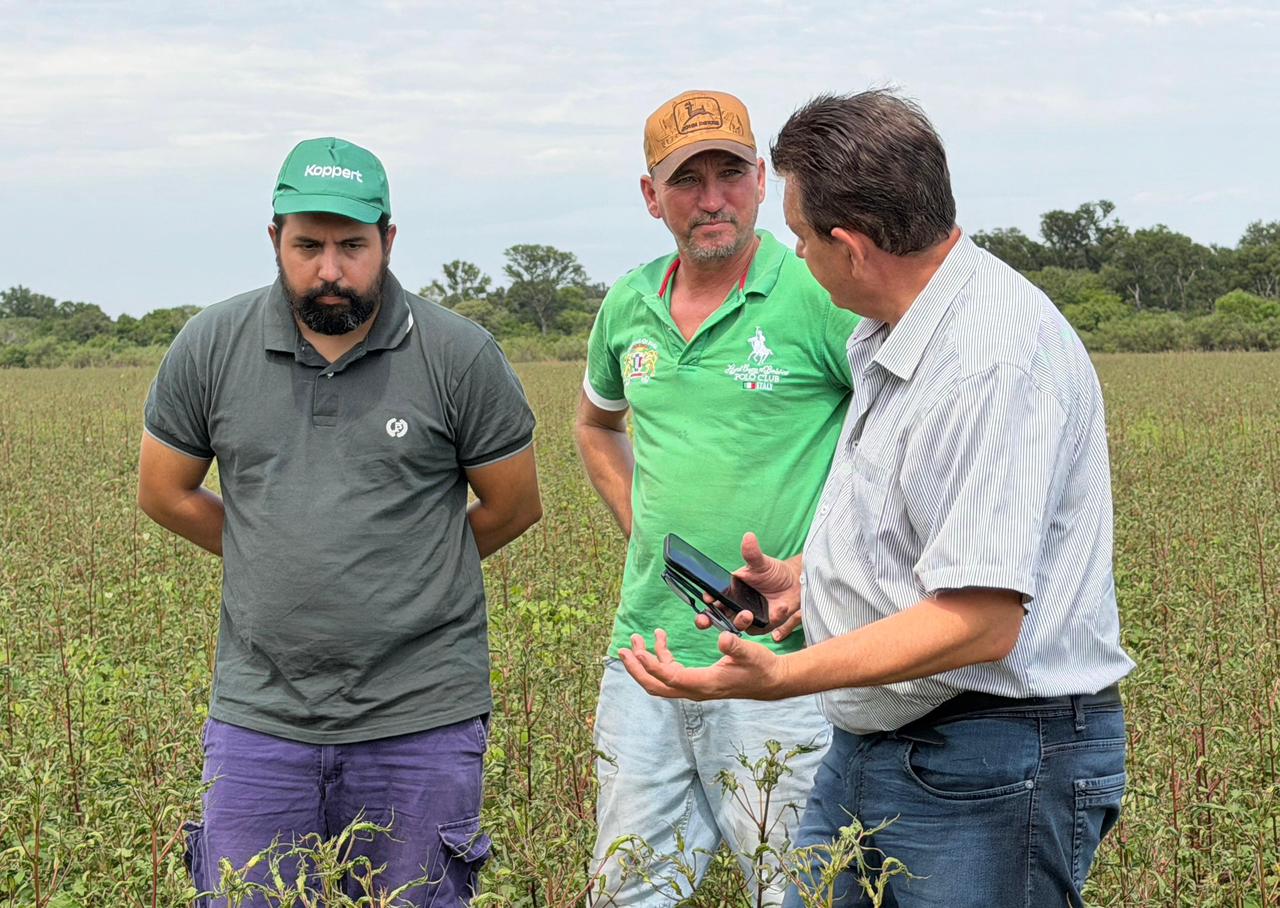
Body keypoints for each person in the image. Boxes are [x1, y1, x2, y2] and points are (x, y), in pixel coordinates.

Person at [619, 90, 1136, 908]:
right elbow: (914, 534)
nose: (795, 253)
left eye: (798, 236)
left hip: (991, 760)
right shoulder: (891, 327)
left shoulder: (988, 362)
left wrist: (781, 680)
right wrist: (809, 581)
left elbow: (980, 617)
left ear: (850, 248)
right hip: (879, 743)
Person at [137, 137, 542, 906]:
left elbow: (513, 505)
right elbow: (164, 491)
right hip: (262, 716)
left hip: (420, 716)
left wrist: (412, 562)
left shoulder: (458, 355)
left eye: (352, 245)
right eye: (308, 245)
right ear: (274, 241)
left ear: (388, 240)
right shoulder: (211, 345)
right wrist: (270, 548)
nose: (330, 268)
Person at [576, 90, 860, 905]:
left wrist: (824, 563)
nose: (710, 198)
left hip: (786, 659)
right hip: (648, 656)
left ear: (762, 181)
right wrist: (645, 536)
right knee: (629, 888)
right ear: (650, 196)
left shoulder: (816, 292)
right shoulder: (628, 306)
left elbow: (894, 435)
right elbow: (597, 426)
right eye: (685, 179)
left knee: (800, 887)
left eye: (729, 173)